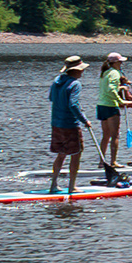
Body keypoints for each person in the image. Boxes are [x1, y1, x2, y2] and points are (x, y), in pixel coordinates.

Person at [46, 56, 91, 194]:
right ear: (75, 71)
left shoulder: (57, 81)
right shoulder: (75, 83)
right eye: (81, 70)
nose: (82, 72)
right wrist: (84, 120)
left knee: (61, 154)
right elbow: (73, 104)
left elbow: (51, 98)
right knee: (76, 153)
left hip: (56, 123)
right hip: (70, 124)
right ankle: (72, 187)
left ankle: (53, 185)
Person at [95, 52, 131, 178]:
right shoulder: (115, 73)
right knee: (115, 135)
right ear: (115, 63)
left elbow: (109, 88)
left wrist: (121, 88)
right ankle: (113, 162)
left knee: (105, 135)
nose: (121, 64)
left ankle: (101, 161)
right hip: (110, 106)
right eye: (120, 62)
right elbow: (111, 89)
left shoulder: (105, 72)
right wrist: (120, 101)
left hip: (101, 106)